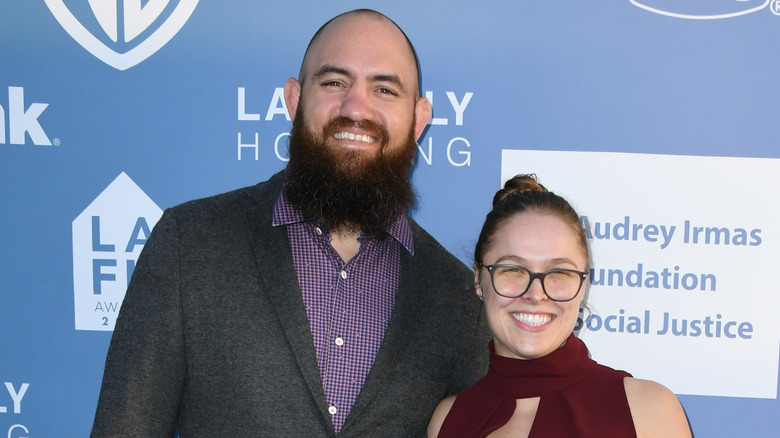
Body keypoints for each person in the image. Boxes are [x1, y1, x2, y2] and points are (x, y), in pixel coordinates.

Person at [90, 9, 488, 437]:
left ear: (419, 118)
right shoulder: (189, 244)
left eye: (385, 89)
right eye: (334, 82)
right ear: (295, 100)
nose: (356, 107)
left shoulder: (458, 296)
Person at [427, 175, 692, 438]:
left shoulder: (648, 411)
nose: (535, 294)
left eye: (558, 273)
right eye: (513, 269)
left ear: (583, 285)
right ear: (478, 280)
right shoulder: (448, 421)